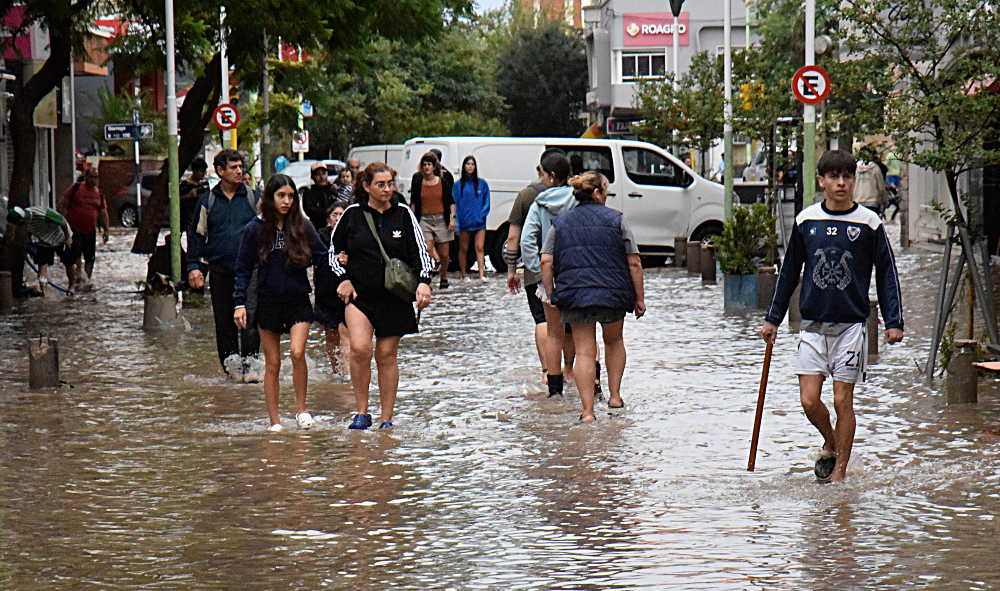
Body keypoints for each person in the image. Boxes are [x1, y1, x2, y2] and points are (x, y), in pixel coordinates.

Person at [761, 149, 904, 483]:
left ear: (854, 180)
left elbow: (886, 273)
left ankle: (838, 477)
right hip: (811, 326)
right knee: (810, 401)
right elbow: (788, 272)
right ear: (822, 181)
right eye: (835, 178)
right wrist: (773, 318)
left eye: (848, 177)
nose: (842, 184)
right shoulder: (806, 221)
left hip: (852, 326)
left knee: (842, 399)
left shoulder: (869, 223)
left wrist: (894, 321)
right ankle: (830, 440)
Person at [331, 162, 433, 430]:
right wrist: (343, 279)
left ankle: (387, 419)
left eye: (391, 184)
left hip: (394, 296)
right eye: (381, 184)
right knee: (360, 348)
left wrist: (424, 283)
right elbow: (332, 252)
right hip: (360, 295)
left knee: (386, 354)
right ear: (366, 187)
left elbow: (422, 254)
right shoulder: (351, 215)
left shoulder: (404, 215)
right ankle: (362, 412)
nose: (388, 189)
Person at [540, 171, 646, 422]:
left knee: (584, 352)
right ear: (597, 193)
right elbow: (635, 262)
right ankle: (615, 399)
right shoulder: (617, 219)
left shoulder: (561, 222)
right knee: (614, 342)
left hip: (575, 295)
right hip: (612, 293)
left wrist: (552, 293)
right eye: (606, 192)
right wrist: (639, 297)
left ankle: (587, 412)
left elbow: (546, 260)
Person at [234, 174, 326, 432]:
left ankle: (301, 410)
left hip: (298, 300)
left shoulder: (303, 226)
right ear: (270, 198)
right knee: (272, 362)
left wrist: (340, 263)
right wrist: (238, 303)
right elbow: (242, 269)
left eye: (290, 196)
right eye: (281, 196)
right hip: (268, 301)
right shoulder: (255, 228)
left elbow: (322, 257)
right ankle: (274, 421)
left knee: (297, 352)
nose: (286, 201)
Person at [187, 149, 263, 381]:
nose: (239, 171)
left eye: (241, 166)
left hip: (251, 271)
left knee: (250, 320)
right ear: (220, 171)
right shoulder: (207, 201)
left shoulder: (253, 199)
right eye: (233, 167)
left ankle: (251, 372)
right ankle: (231, 374)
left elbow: (271, 228)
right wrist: (193, 266)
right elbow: (196, 235)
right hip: (219, 271)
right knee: (224, 323)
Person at [520, 151, 578, 399]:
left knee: (553, 333)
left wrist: (538, 269)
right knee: (582, 330)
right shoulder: (579, 199)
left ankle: (555, 391)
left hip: (550, 275)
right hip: (578, 274)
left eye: (542, 173)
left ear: (552, 176)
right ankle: (587, 378)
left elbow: (526, 241)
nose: (540, 178)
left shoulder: (539, 203)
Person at [505, 150, 565, 386]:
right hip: (571, 270)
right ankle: (572, 370)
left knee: (544, 322)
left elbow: (514, 238)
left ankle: (547, 372)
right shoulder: (577, 194)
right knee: (572, 326)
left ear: (543, 170)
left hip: (537, 271)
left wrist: (512, 270)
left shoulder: (527, 195)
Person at [57, 167, 109, 293]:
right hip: (74, 229)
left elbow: (103, 213)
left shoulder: (99, 194)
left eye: (96, 177)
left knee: (90, 257)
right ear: (86, 177)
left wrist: (106, 230)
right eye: (91, 177)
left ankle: (86, 280)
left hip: (90, 230)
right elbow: (63, 204)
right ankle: (76, 278)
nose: (93, 180)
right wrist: (60, 223)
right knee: (75, 255)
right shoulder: (76, 188)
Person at [315, 203, 351, 377]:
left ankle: (346, 372)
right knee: (330, 333)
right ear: (329, 218)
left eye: (341, 214)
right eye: (334, 214)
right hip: (326, 290)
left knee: (345, 330)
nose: (337, 218)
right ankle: (336, 368)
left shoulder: (352, 235)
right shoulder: (320, 236)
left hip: (347, 288)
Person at [408, 152, 455, 288]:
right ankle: (427, 277)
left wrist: (453, 218)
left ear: (434, 167)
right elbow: (414, 202)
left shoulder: (443, 182)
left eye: (429, 165)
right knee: (427, 249)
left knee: (444, 254)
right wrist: (412, 218)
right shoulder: (417, 182)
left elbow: (451, 201)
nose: (427, 167)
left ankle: (444, 276)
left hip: (441, 218)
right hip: (424, 219)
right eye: (424, 165)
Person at [6, 205, 72, 297]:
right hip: (44, 241)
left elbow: (62, 221)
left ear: (22, 219)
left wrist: (68, 238)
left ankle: (71, 287)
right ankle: (45, 295)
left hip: (60, 238)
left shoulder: (41, 214)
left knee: (69, 264)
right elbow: (30, 229)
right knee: (42, 267)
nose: (18, 225)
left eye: (18, 223)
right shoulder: (24, 221)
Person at [452, 155, 490, 283]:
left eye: (472, 164)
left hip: (479, 222)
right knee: (464, 248)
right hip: (464, 222)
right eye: (468, 164)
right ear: (464, 166)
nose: (470, 166)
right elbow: (454, 203)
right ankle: (463, 273)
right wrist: (456, 223)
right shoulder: (457, 185)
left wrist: (482, 215)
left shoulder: (482, 184)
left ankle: (481, 274)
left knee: (480, 247)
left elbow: (487, 201)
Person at [179, 157, 209, 235]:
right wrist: (188, 196)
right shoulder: (185, 185)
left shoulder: (204, 185)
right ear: (195, 171)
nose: (202, 174)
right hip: (189, 217)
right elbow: (178, 200)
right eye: (201, 171)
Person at [302, 162, 337, 229]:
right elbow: (310, 211)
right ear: (312, 176)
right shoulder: (308, 194)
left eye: (324, 173)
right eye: (318, 174)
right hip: (317, 228)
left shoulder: (334, 191)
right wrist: (326, 212)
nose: (322, 177)